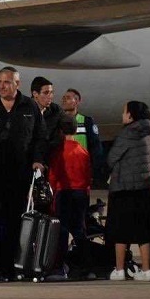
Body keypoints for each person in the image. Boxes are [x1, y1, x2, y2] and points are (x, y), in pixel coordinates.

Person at [0, 66, 46, 280]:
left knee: (13, 220)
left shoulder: (29, 106)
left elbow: (40, 136)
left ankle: (9, 265)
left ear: (17, 84)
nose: (2, 86)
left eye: (7, 82)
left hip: (18, 173)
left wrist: (38, 160)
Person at [106, 101, 150, 282]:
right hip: (144, 188)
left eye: (124, 111)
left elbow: (111, 158)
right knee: (143, 230)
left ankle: (119, 270)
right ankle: (146, 270)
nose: (122, 115)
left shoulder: (127, 133)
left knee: (121, 231)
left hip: (124, 188)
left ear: (131, 115)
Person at [47, 114, 92, 279]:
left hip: (63, 192)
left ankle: (60, 267)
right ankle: (86, 266)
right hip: (80, 193)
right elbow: (88, 176)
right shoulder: (82, 150)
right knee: (80, 230)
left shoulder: (58, 151)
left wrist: (52, 194)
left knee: (62, 230)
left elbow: (53, 175)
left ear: (59, 130)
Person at [61, 88, 104, 187]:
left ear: (77, 101)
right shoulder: (57, 121)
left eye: (67, 98)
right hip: (62, 172)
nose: (64, 100)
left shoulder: (86, 121)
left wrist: (93, 172)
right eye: (63, 98)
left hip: (81, 173)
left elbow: (96, 148)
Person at [30, 76, 63, 153]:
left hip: (48, 159)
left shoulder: (55, 110)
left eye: (51, 92)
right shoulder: (22, 111)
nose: (50, 96)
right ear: (35, 94)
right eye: (46, 93)